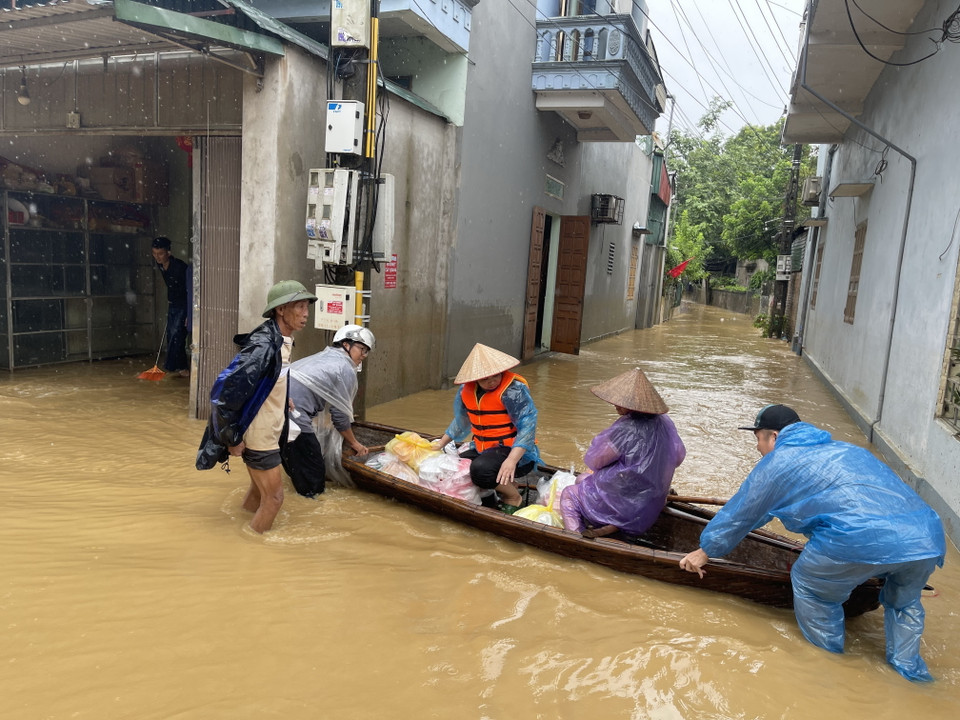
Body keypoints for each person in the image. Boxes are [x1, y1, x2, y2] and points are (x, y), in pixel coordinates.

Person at [678, 404, 946, 682]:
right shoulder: (848, 450)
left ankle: (829, 666)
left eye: (757, 438)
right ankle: (913, 674)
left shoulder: (778, 463)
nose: (757, 447)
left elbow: (742, 514)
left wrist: (706, 550)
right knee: (904, 603)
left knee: (811, 586)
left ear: (773, 436)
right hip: (925, 538)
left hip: (857, 539)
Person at [195, 280, 317, 533]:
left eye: (307, 307)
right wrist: (231, 437)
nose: (305, 313)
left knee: (259, 492)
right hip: (259, 436)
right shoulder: (264, 346)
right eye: (299, 306)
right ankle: (252, 549)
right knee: (274, 499)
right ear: (280, 310)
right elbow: (223, 394)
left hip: (268, 430)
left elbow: (270, 380)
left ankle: (238, 532)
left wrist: (283, 399)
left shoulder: (280, 340)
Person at [559, 368, 686, 538]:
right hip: (651, 500)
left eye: (621, 402)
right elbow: (677, 457)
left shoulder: (626, 428)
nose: (615, 405)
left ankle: (575, 538)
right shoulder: (665, 422)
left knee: (569, 494)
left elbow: (596, 461)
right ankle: (610, 526)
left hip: (626, 502)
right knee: (582, 479)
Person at [432, 343, 539, 513]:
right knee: (457, 467)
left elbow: (528, 426)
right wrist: (439, 444)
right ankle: (498, 491)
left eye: (495, 376)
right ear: (475, 380)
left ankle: (513, 497)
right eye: (484, 379)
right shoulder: (466, 391)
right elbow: (462, 421)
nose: (491, 382)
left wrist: (511, 460)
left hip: (516, 451)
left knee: (480, 471)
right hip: (484, 448)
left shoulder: (512, 390)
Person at [283, 325, 376, 497]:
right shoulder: (345, 368)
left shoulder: (322, 357)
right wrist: (355, 443)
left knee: (296, 466)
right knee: (315, 479)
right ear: (346, 345)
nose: (363, 356)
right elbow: (340, 416)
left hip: (276, 414)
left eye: (366, 352)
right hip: (294, 418)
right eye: (361, 349)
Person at [151, 236, 192, 377]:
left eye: (160, 253)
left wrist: (189, 313)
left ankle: (170, 366)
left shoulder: (180, 268)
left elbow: (190, 291)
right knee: (172, 335)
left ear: (168, 252)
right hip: (173, 304)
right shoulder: (160, 265)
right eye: (155, 254)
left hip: (184, 305)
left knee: (177, 334)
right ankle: (182, 368)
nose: (157, 257)